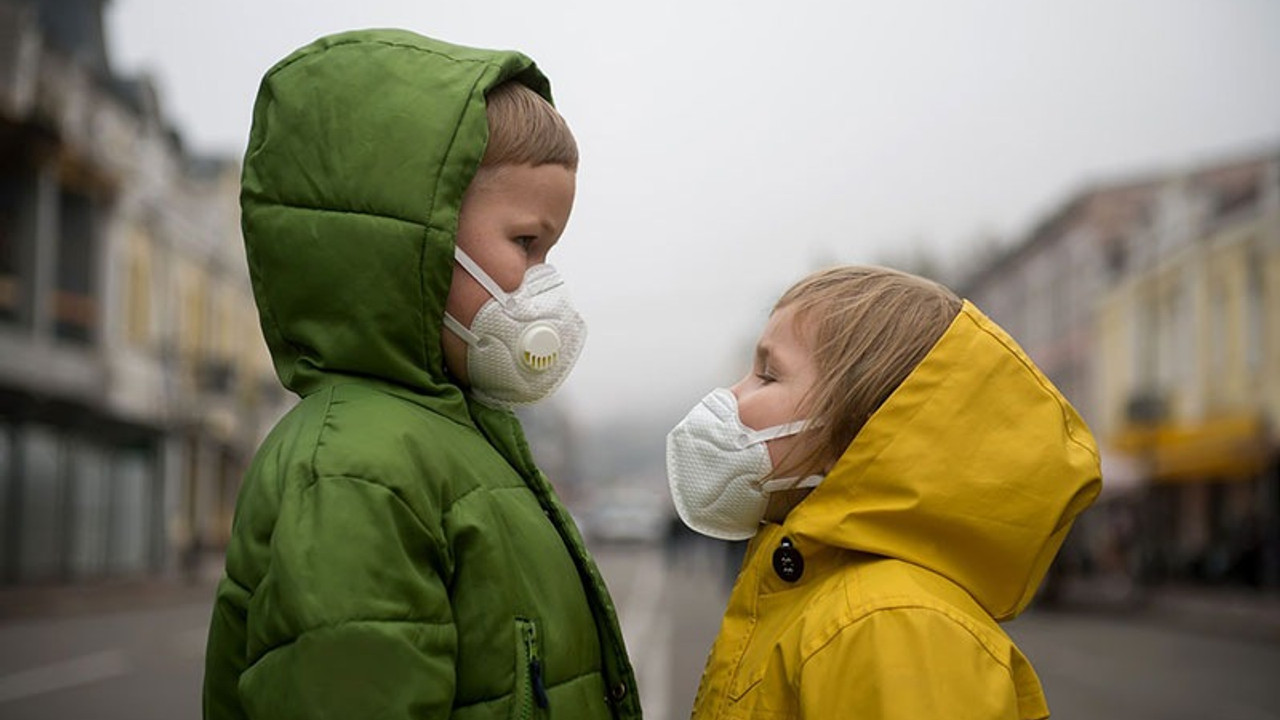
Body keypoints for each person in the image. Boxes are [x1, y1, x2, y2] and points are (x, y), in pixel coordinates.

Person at [202, 30, 639, 720]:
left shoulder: (459, 435)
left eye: (550, 249)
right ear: (416, 232)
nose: (542, 281)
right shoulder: (354, 471)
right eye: (526, 242)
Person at [666, 266, 1101, 719]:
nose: (732, 396)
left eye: (768, 376)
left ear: (858, 430)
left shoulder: (891, 625)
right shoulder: (826, 592)